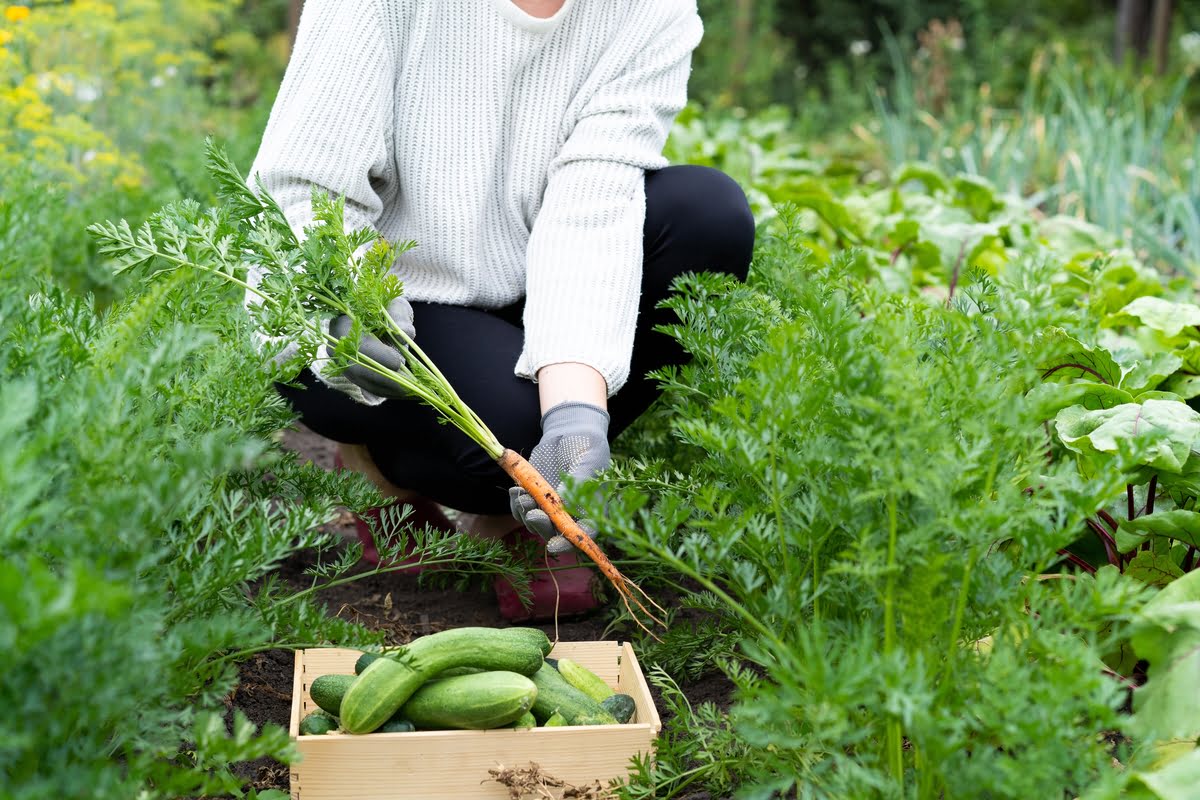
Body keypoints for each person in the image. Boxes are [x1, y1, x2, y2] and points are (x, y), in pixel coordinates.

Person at [248, 0, 755, 621]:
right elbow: (307, 184)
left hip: (521, 296)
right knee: (509, 435)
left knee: (708, 215)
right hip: (369, 308)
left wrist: (575, 416)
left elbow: (592, 207)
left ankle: (521, 508)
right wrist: (351, 300)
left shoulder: (648, 10)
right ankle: (379, 464)